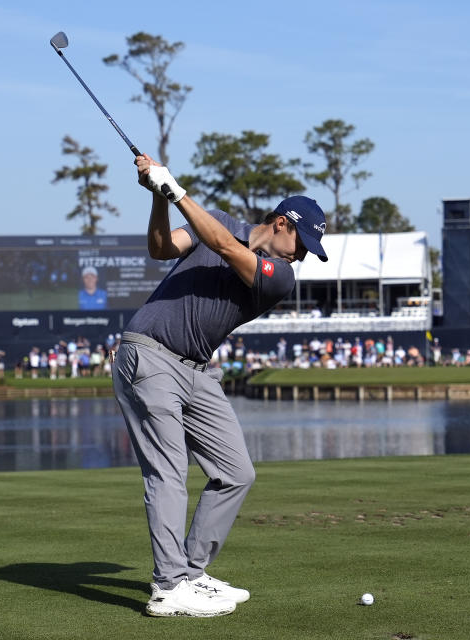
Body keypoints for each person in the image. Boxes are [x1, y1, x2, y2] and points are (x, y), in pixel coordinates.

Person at [112, 153, 328, 617]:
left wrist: (175, 189)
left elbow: (228, 249)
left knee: (237, 471)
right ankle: (169, 586)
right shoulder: (222, 221)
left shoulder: (281, 278)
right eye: (303, 241)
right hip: (148, 354)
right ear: (281, 223)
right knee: (169, 474)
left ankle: (191, 571)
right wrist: (159, 198)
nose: (303, 254)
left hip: (196, 371)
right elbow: (160, 248)